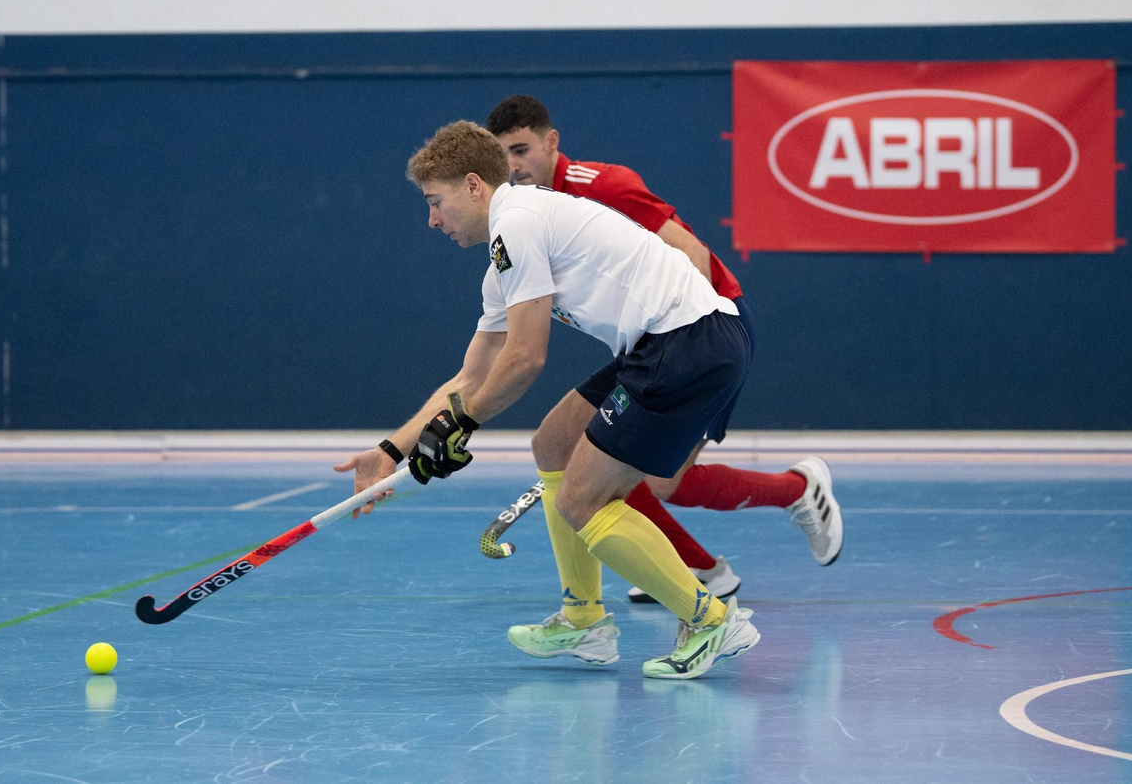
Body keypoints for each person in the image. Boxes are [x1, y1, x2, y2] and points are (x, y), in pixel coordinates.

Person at [337, 120, 760, 679]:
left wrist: (463, 422)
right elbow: (470, 375)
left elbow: (525, 358)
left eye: (436, 202)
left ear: (472, 185)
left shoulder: (517, 222)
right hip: (665, 343)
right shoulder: (505, 258)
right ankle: (584, 621)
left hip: (688, 340)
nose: (432, 219)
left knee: (580, 502)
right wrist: (392, 449)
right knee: (554, 443)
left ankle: (709, 620)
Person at [486, 94, 842, 603]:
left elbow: (693, 252)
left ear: (552, 142)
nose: (515, 167)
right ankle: (700, 572)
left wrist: (677, 344)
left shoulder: (603, 187)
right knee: (601, 458)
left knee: (663, 480)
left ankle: (797, 490)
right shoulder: (527, 216)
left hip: (703, 328)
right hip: (653, 343)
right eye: (504, 159)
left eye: (522, 150)